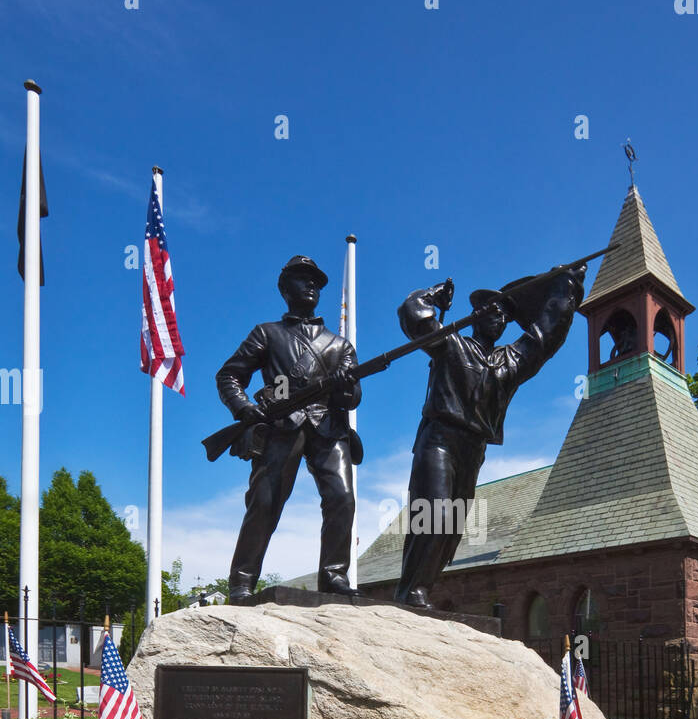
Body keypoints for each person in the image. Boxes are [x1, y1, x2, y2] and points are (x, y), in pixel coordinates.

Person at [395, 267, 582, 608]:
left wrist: (566, 286)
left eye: (505, 315)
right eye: (493, 311)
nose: (500, 319)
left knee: (452, 526)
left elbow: (546, 336)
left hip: (473, 449)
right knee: (434, 513)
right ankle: (412, 590)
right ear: (476, 315)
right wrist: (432, 296)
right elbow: (413, 316)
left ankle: (420, 587)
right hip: (439, 440)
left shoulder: (507, 361)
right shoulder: (451, 344)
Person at [216, 254, 361, 602]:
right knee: (265, 502)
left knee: (342, 498)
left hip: (328, 426)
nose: (310, 284)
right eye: (301, 278)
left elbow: (353, 397)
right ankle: (242, 580)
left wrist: (344, 386)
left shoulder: (340, 345)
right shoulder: (267, 333)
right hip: (282, 424)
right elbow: (229, 375)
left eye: (316, 281)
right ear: (284, 288)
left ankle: (334, 575)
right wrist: (245, 408)